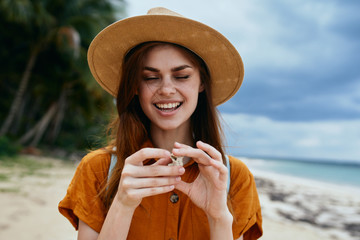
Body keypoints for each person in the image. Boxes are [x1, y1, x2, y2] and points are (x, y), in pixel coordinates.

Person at [58, 7, 262, 240]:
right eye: (150, 78)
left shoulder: (234, 177)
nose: (166, 89)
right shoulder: (98, 169)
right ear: (135, 86)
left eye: (182, 76)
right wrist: (122, 205)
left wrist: (218, 217)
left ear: (202, 83)